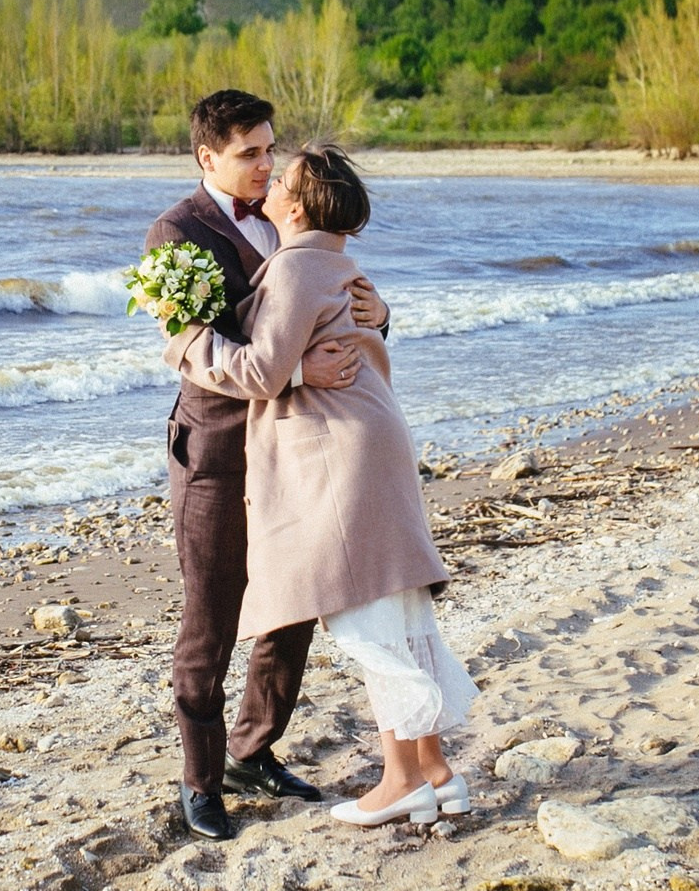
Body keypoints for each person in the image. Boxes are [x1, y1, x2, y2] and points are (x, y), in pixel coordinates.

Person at [165, 143, 476, 827]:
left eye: (279, 169)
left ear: (299, 205)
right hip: (375, 430)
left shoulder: (297, 264)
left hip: (340, 450)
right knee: (395, 607)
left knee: (365, 617)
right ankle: (433, 770)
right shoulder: (336, 257)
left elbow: (258, 372)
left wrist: (184, 340)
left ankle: (400, 782)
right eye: (259, 157)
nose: (269, 175)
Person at [146, 90, 385, 842]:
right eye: (249, 152)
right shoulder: (174, 234)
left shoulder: (293, 215)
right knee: (210, 619)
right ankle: (201, 780)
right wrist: (297, 369)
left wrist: (378, 316)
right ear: (207, 156)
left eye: (269, 149)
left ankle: (254, 749)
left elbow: (333, 293)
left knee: (295, 604)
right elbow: (203, 355)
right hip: (217, 451)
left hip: (295, 447)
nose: (265, 164)